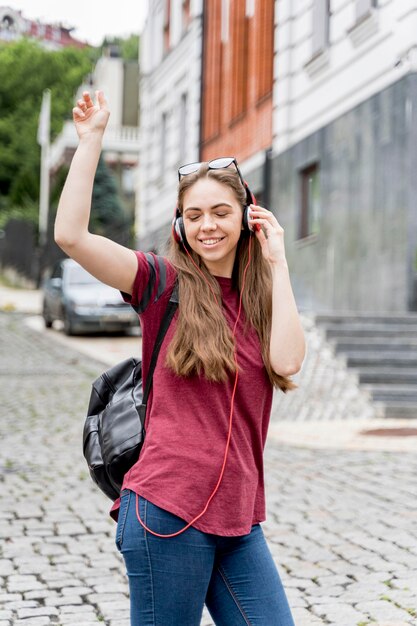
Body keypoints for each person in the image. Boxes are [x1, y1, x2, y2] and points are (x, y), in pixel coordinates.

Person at [55, 90, 306, 626]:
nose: (207, 225)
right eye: (194, 215)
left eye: (220, 212)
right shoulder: (161, 283)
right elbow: (71, 237)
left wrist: (278, 262)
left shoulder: (261, 299)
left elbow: (288, 363)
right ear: (179, 226)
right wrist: (92, 140)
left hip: (239, 523)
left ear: (248, 217)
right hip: (167, 515)